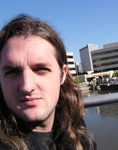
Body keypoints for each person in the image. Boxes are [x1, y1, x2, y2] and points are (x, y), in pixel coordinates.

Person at [0, 14, 96, 150]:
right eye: (12, 72)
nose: (27, 86)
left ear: (62, 75)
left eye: (41, 69)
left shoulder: (75, 126)